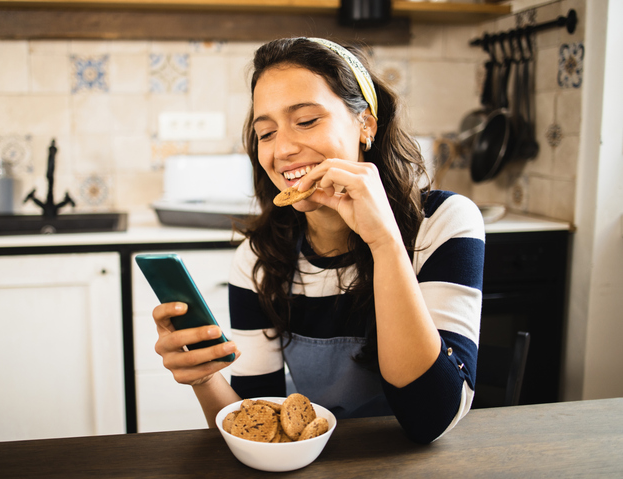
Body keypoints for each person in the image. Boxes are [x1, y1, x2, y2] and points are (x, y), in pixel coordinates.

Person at [152, 37, 485, 444]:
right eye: (267, 132)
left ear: (366, 125)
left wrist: (384, 242)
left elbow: (431, 418)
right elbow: (261, 425)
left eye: (307, 121)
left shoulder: (443, 223)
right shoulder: (259, 259)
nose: (285, 149)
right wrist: (204, 377)